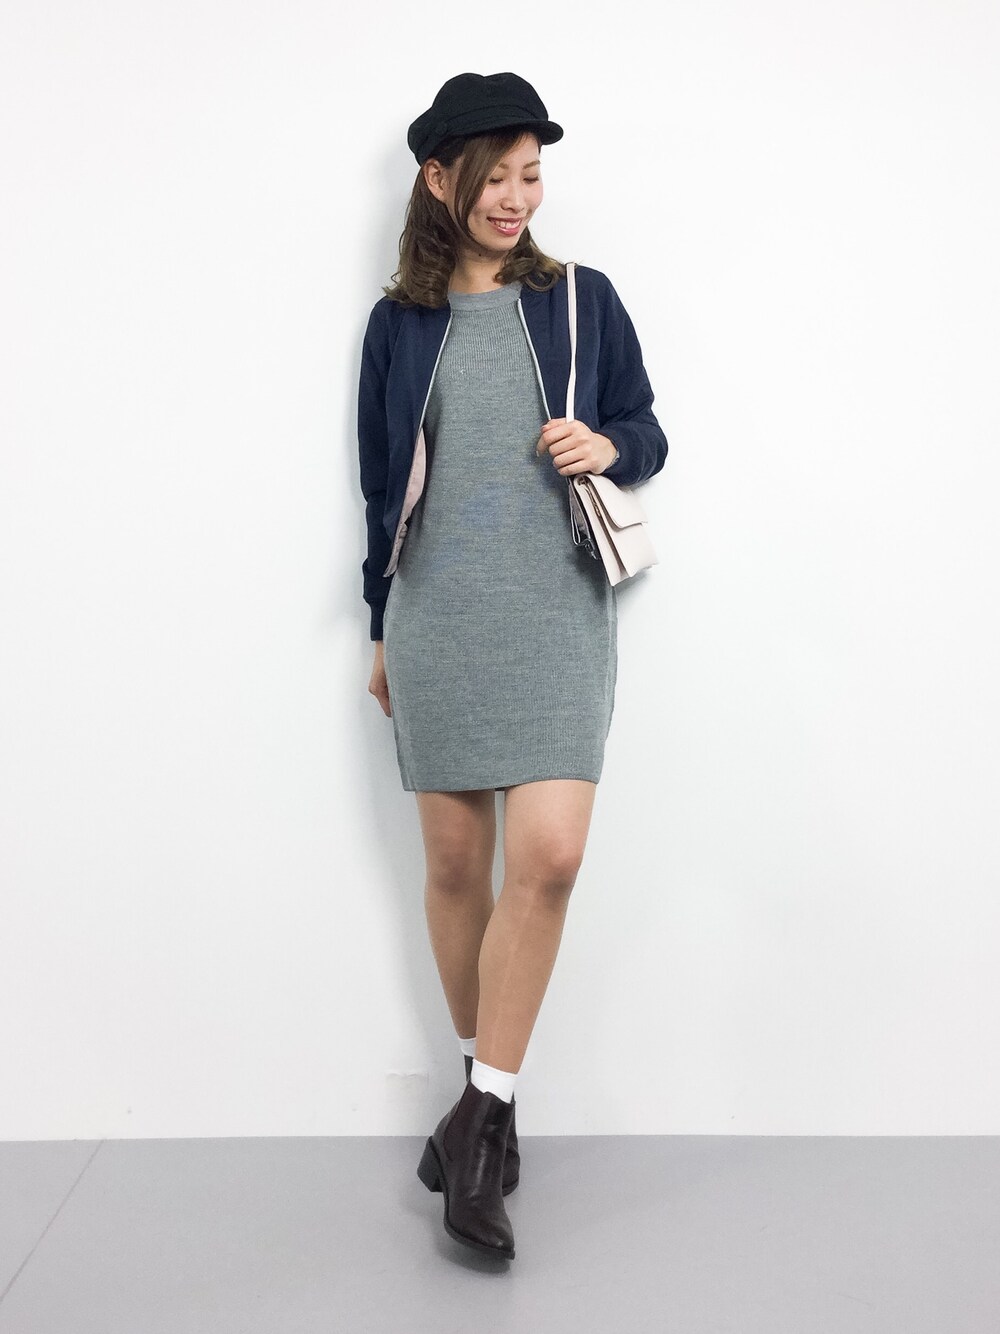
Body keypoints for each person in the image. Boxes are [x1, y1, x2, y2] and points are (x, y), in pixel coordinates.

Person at [356, 71, 668, 1261]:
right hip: (437, 613)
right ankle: (484, 1106)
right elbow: (379, 489)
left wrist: (608, 441)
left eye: (531, 176)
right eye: (495, 177)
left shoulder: (581, 299)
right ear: (439, 178)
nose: (517, 197)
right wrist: (379, 626)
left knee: (550, 856)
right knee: (453, 865)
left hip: (555, 611)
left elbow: (645, 427)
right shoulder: (398, 324)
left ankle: (478, 1122)